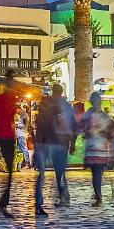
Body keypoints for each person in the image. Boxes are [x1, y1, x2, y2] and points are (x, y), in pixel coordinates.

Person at [34, 84, 75, 213]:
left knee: (42, 174)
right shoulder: (65, 105)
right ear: (61, 92)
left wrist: (37, 142)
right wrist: (72, 142)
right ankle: (64, 198)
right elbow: (72, 124)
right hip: (59, 142)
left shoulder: (46, 103)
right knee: (60, 173)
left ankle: (39, 203)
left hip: (46, 141)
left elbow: (39, 122)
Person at [0, 70, 20, 218]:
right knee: (9, 172)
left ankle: (3, 204)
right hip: (7, 136)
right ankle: (3, 205)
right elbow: (7, 117)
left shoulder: (2, 98)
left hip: (5, 135)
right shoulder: (9, 98)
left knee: (10, 173)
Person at [79, 92, 114, 205]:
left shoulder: (88, 114)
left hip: (92, 147)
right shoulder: (104, 115)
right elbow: (111, 129)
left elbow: (81, 128)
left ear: (91, 101)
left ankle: (98, 196)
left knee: (96, 173)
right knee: (99, 172)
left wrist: (86, 133)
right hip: (102, 148)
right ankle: (97, 193)